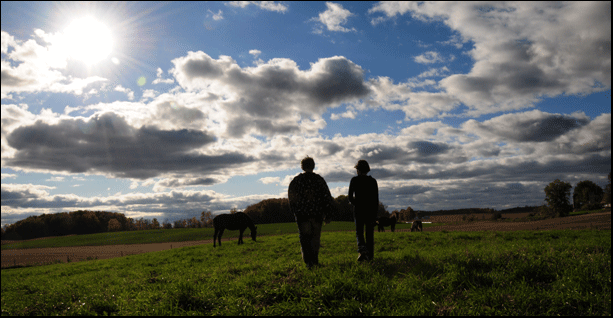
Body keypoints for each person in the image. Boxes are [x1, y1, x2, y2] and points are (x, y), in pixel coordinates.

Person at [288, 156, 334, 269]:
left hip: (302, 215)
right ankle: (315, 261)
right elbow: (327, 197)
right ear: (313, 166)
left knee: (304, 238)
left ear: (302, 166)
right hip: (317, 214)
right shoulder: (319, 180)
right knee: (315, 238)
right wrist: (328, 214)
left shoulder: (296, 181)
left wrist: (295, 212)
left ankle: (308, 262)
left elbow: (291, 199)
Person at [348, 160, 379, 262]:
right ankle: (370, 258)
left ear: (357, 170)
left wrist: (356, 203)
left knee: (359, 232)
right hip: (370, 211)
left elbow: (350, 197)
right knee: (370, 234)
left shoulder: (354, 180)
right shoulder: (373, 181)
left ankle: (362, 250)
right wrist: (375, 215)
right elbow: (375, 200)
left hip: (359, 210)